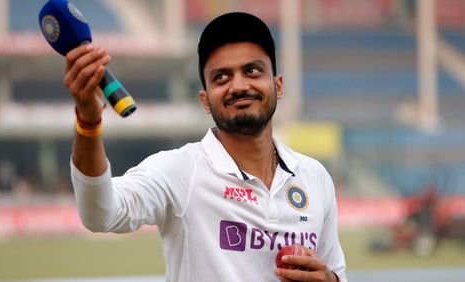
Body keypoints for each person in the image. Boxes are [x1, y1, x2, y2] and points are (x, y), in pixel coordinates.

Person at [65, 12, 347, 282]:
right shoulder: (179, 171)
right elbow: (99, 214)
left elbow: (336, 273)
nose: (238, 85)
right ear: (205, 100)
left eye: (252, 70)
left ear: (278, 86)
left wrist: (329, 280)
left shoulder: (314, 176)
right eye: (221, 77)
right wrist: (89, 121)